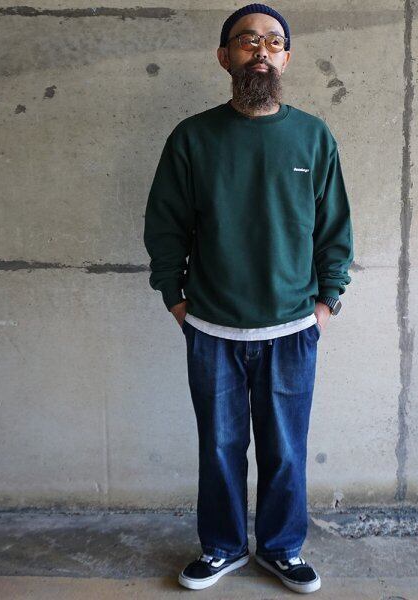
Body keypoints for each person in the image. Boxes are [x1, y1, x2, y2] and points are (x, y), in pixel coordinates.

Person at [143, 3, 354, 594]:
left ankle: (282, 549)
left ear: (286, 58)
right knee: (219, 448)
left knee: (286, 453)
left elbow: (334, 229)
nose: (261, 50)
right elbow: (166, 225)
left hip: (292, 329)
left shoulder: (313, 136)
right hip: (212, 329)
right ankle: (223, 547)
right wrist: (175, 300)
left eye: (273, 42)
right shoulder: (192, 138)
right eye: (246, 41)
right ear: (224, 56)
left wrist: (327, 304)